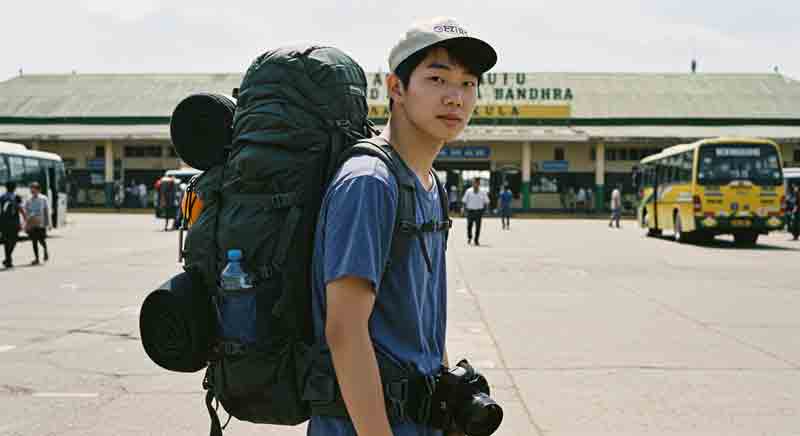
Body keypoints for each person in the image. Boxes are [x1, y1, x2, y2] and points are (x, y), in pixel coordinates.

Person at [308, 17, 496, 436]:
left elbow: (423, 314)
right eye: (436, 78)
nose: (455, 97)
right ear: (396, 88)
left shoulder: (429, 185)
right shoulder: (370, 182)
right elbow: (345, 329)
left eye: (468, 84)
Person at [1, 182, 27, 268]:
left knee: (6, 241)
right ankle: (8, 259)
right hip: (14, 222)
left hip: (3, 222)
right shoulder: (16, 197)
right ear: (14, 188)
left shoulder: (2, 197)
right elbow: (21, 208)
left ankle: (8, 259)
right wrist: (25, 218)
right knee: (13, 240)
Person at [24, 182, 50, 265]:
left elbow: (46, 210)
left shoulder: (43, 198)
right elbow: (26, 210)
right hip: (32, 222)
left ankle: (45, 250)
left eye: (34, 189)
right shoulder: (29, 199)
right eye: (31, 189)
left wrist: (48, 223)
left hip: (41, 222)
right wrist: (27, 223)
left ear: (38, 190)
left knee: (41, 239)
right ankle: (36, 258)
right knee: (34, 241)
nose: (32, 191)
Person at [462, 178, 489, 245]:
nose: (476, 184)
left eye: (477, 183)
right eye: (474, 183)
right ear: (473, 183)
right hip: (470, 211)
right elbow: (464, 201)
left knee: (478, 227)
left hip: (479, 211)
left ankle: (476, 240)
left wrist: (485, 210)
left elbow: (487, 202)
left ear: (479, 184)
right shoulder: (468, 191)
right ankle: (469, 237)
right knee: (469, 226)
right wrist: (463, 209)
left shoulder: (483, 192)